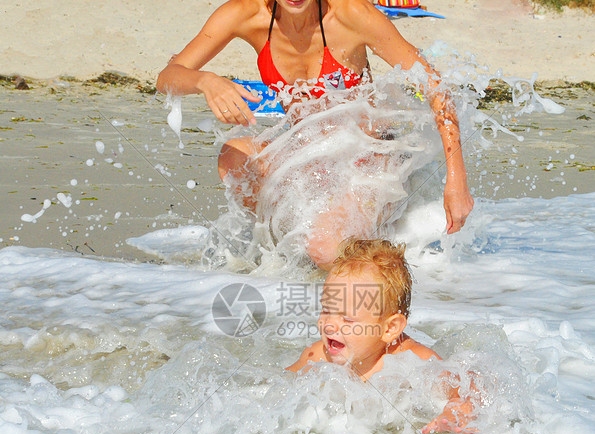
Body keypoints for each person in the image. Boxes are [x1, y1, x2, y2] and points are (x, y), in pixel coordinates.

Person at [156, 0, 474, 266]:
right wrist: (206, 81)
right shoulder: (246, 14)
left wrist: (456, 179)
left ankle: (371, 246)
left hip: (370, 158)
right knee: (234, 158)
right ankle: (285, 252)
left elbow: (436, 87)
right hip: (307, 153)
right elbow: (168, 76)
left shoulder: (352, 15)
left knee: (324, 250)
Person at [286, 238, 482, 434]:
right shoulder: (318, 355)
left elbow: (468, 384)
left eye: (347, 318)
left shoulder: (411, 360)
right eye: (326, 309)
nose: (329, 325)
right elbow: (279, 388)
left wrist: (456, 412)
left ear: (389, 329)